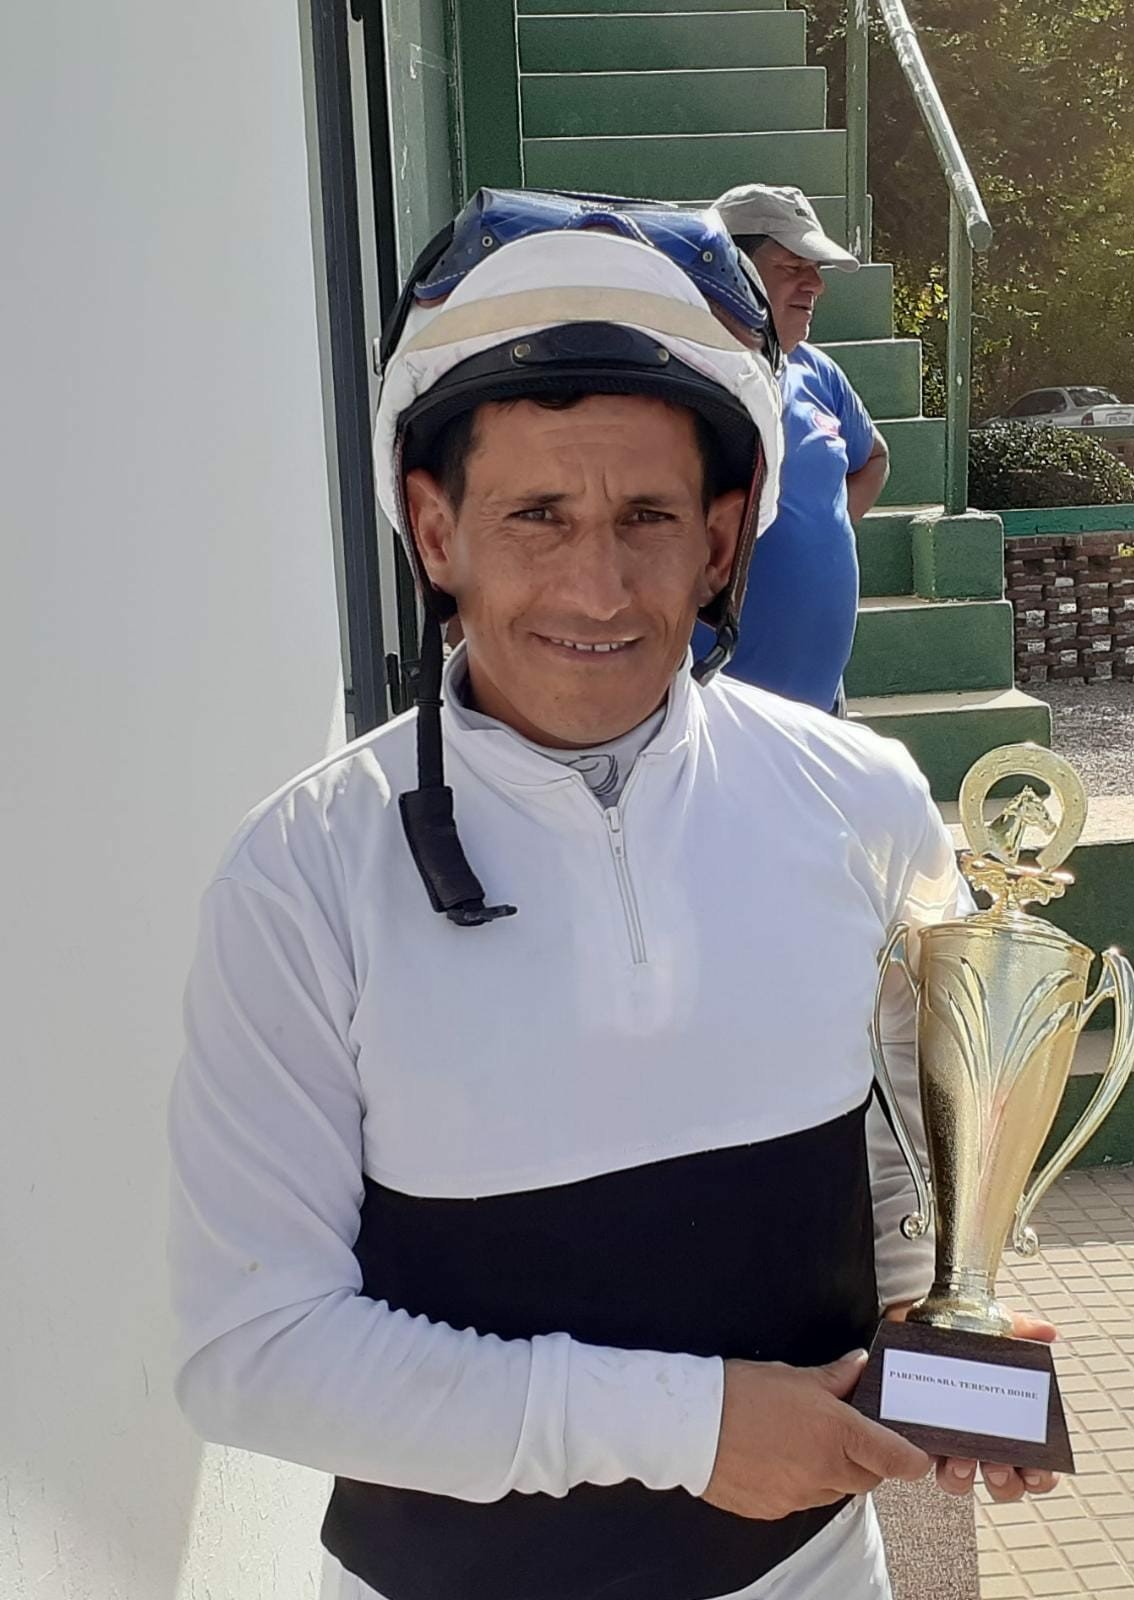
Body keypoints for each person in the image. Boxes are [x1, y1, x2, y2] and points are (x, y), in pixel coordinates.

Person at [168, 193, 1056, 1600]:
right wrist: (689, 1429)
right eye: (536, 514)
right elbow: (251, 1352)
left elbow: (902, 1157)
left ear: (721, 539)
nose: (597, 584)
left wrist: (942, 1338)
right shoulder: (300, 873)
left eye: (648, 516)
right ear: (434, 530)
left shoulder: (863, 798)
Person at [693, 183, 890, 713]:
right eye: (793, 267)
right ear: (731, 270)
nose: (816, 285)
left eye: (816, 268)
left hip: (823, 710)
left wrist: (821, 533)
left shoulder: (817, 371)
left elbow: (873, 458)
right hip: (714, 720)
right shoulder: (680, 381)